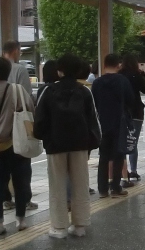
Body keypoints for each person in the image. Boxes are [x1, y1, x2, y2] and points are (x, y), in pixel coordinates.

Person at [33, 52, 101, 238]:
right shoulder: (84, 91)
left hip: (55, 144)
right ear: (78, 70)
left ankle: (59, 227)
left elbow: (39, 120)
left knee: (57, 185)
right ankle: (80, 225)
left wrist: (42, 136)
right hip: (80, 144)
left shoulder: (48, 91)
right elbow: (93, 119)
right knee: (80, 183)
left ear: (59, 70)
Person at [0, 56, 35, 235]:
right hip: (19, 144)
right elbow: (31, 109)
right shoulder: (18, 90)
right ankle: (21, 220)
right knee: (20, 182)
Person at [2, 40, 39, 212]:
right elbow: (27, 97)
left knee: (4, 165)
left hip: (0, 125)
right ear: (16, 51)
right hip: (17, 123)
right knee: (22, 163)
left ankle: (5, 198)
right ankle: (23, 199)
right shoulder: (20, 70)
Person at [92, 53, 135, 197]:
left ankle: (102, 189)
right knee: (118, 155)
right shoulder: (122, 81)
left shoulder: (97, 83)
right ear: (118, 65)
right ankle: (116, 188)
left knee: (103, 157)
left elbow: (93, 103)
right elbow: (130, 100)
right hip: (119, 123)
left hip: (102, 124)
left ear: (104, 65)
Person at [119, 54, 145, 182]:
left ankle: (123, 171)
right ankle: (133, 170)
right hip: (136, 112)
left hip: (122, 112)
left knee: (122, 141)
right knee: (133, 141)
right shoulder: (137, 75)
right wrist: (144, 76)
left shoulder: (119, 75)